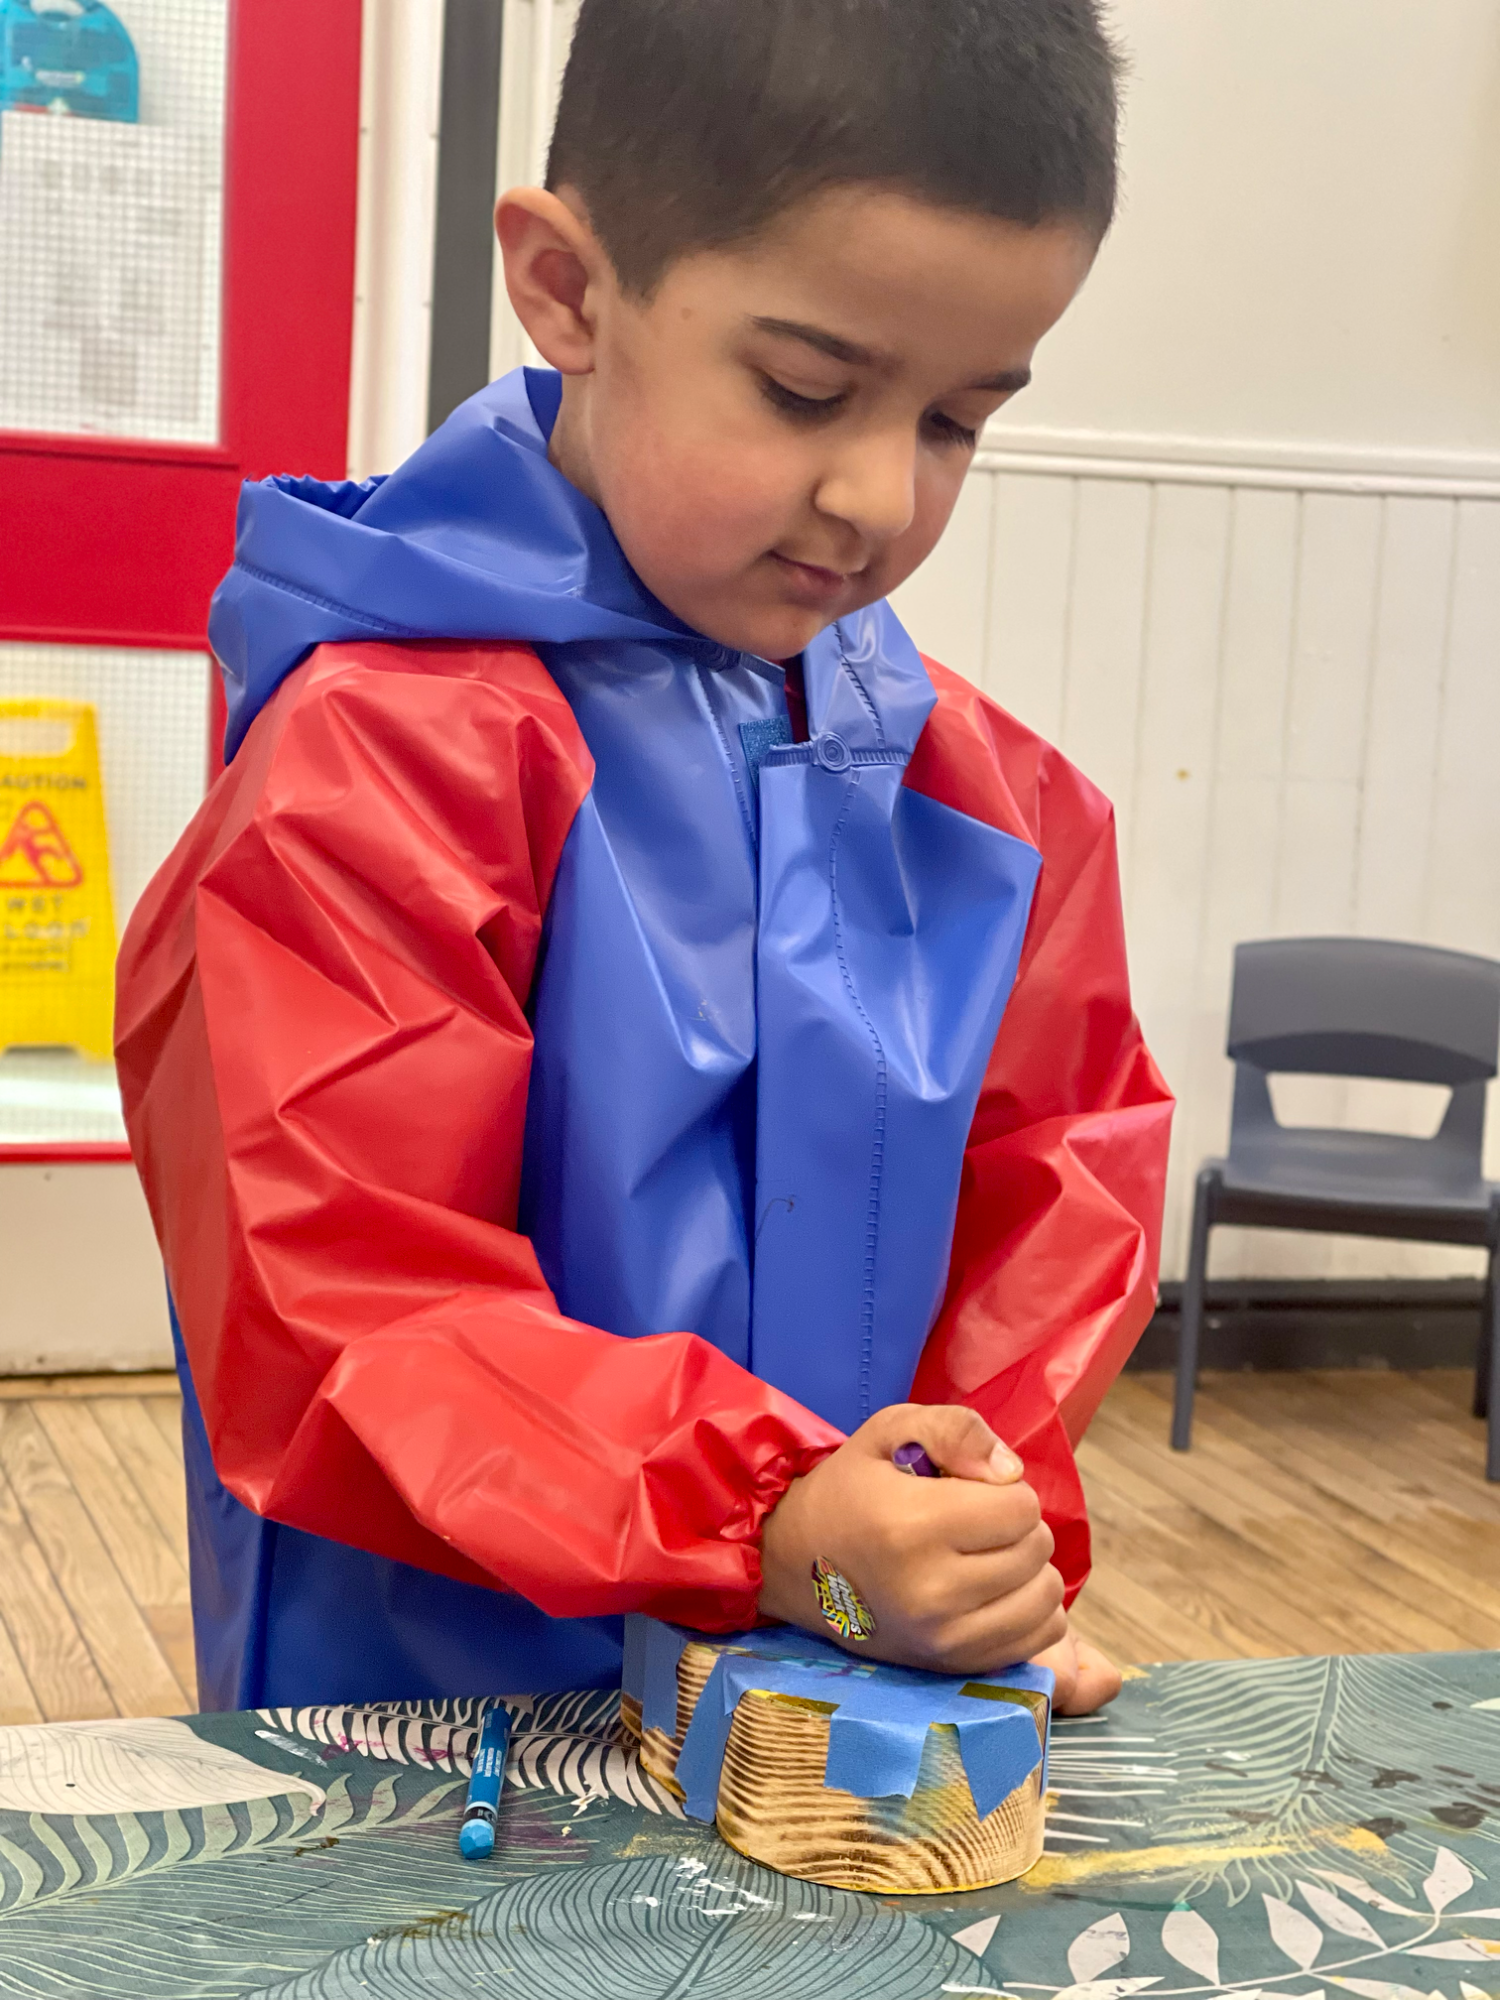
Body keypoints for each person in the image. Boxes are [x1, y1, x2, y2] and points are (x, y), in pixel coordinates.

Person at [116, 0, 1172, 1722]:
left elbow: (1061, 1189)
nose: (876, 495)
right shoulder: (377, 772)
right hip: (440, 1729)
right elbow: (342, 1293)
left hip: (834, 1709)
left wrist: (958, 1537)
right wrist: (766, 1520)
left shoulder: (992, 804)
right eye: (807, 389)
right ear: (568, 290)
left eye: (958, 421)